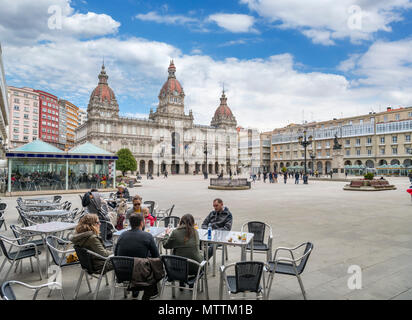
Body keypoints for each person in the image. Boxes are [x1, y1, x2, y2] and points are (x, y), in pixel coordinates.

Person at [115, 214, 160, 300]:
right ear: (142, 223)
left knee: (136, 259)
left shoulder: (122, 235)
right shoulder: (147, 236)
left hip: (122, 272)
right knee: (153, 263)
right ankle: (152, 292)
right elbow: (156, 256)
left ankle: (135, 289)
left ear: (130, 224)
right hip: (140, 273)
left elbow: (116, 254)